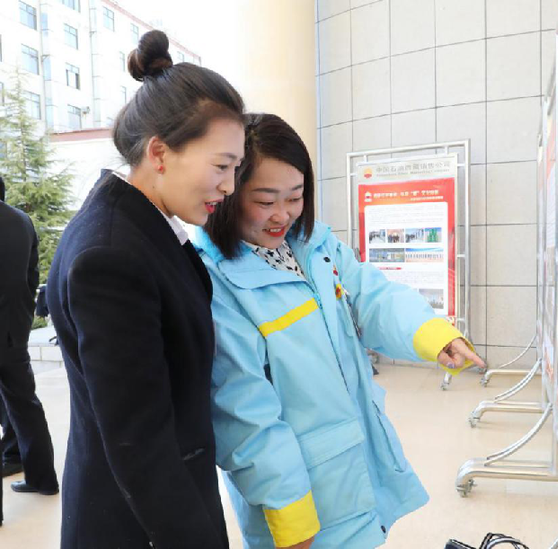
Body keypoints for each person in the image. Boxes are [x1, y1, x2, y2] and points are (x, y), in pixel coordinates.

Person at [196, 113, 485, 549]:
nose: (283, 215)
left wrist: (431, 333)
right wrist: (290, 516)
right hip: (300, 495)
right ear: (229, 193)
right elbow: (244, 415)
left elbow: (372, 295)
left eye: (295, 197)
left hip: (356, 464)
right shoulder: (217, 282)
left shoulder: (314, 245)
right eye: (265, 200)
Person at [46, 30, 244, 548]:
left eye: (235, 168)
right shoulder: (112, 256)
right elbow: (140, 444)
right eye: (221, 166)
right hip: (138, 525)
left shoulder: (143, 227)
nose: (229, 186)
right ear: (159, 152)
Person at [0, 174, 60, 512]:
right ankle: (43, 479)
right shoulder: (21, 221)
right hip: (14, 331)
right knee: (26, 405)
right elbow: (32, 276)